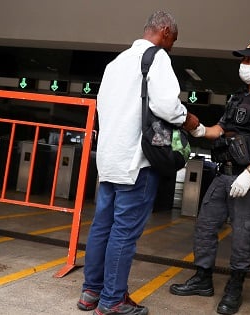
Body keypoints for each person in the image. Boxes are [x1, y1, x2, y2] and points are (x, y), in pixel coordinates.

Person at [77, 11, 198, 315]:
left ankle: (90, 292)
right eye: (174, 39)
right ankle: (112, 301)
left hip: (109, 159)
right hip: (136, 161)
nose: (172, 45)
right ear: (165, 31)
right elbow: (166, 105)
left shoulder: (115, 63)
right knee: (124, 232)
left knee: (102, 226)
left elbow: (104, 107)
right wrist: (188, 120)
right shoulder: (157, 57)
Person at [169, 41, 250, 315]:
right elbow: (220, 129)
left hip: (249, 180)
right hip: (223, 175)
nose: (244, 65)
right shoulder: (237, 98)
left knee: (243, 235)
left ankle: (235, 287)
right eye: (243, 60)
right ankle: (202, 278)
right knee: (205, 227)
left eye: (249, 60)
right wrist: (199, 130)